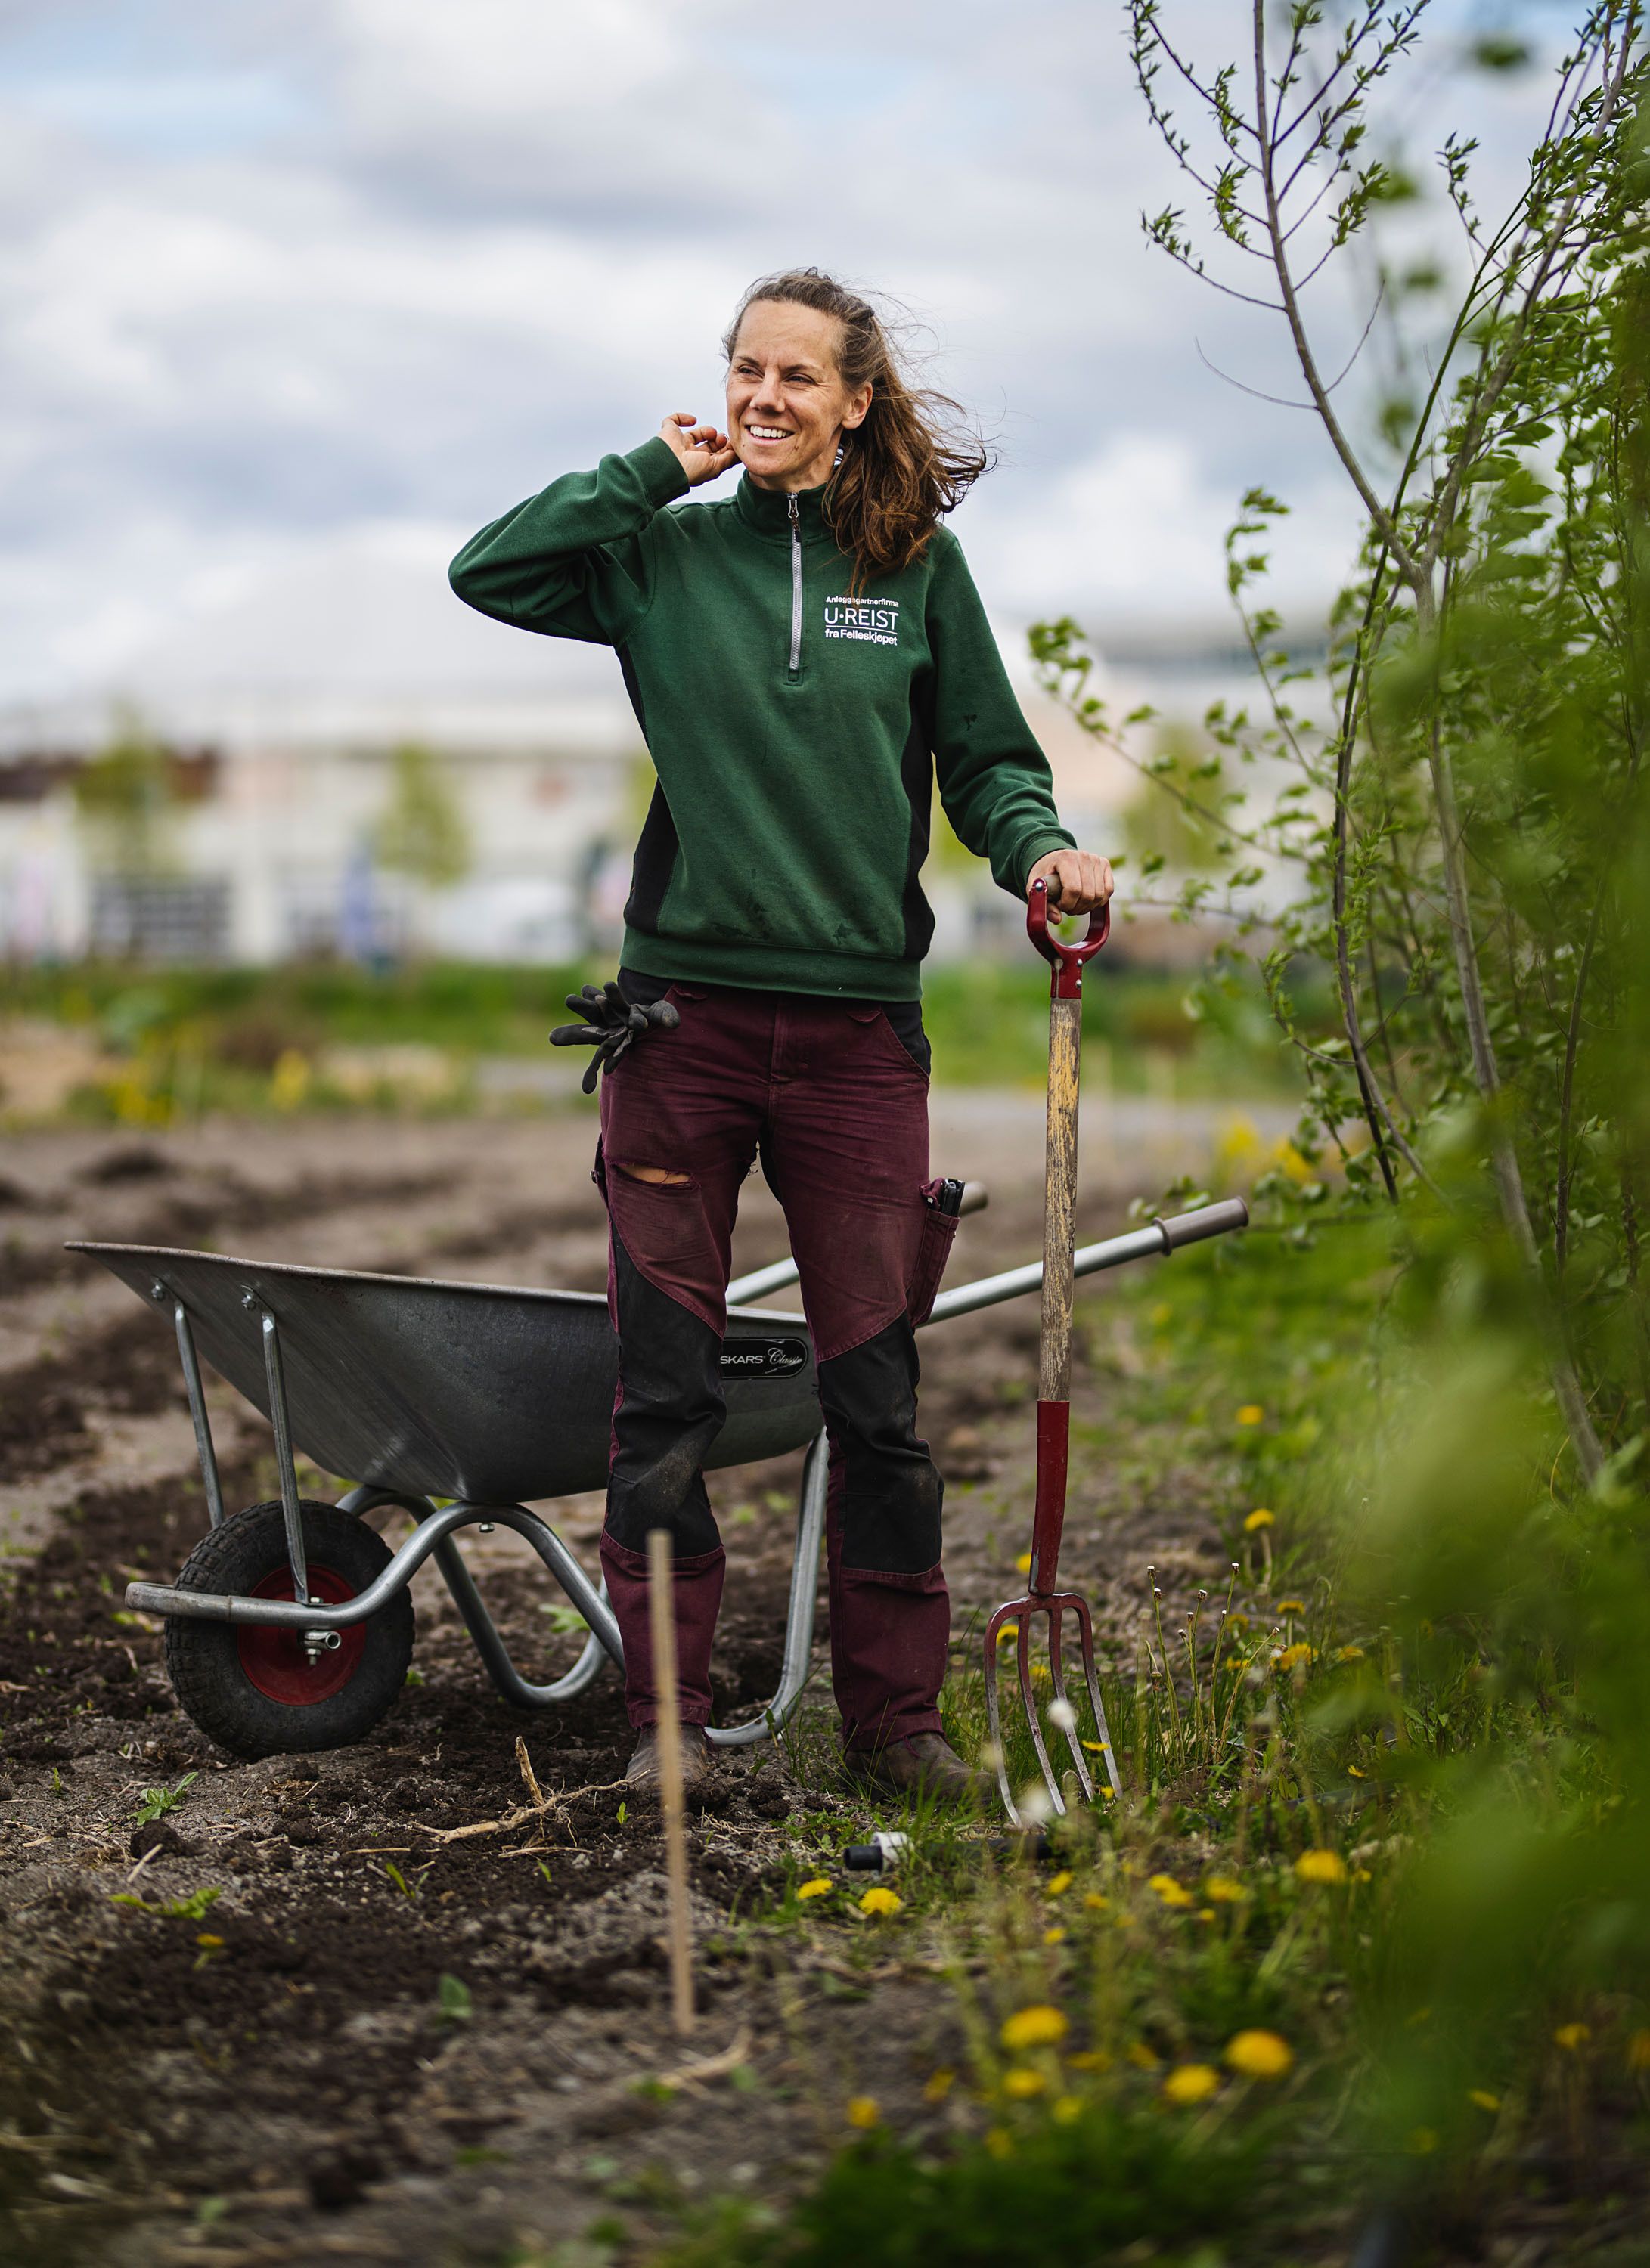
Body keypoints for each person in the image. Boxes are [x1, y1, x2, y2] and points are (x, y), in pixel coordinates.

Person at [449, 268, 1113, 1802]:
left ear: (853, 401)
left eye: (794, 376)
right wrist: (639, 475)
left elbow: (988, 765)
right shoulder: (655, 559)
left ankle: (896, 1731)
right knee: (663, 1393)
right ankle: (663, 1732)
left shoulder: (917, 573)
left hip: (854, 1043)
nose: (761, 395)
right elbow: (489, 571)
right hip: (677, 1030)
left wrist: (1040, 853)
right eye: (742, 370)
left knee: (875, 1401)